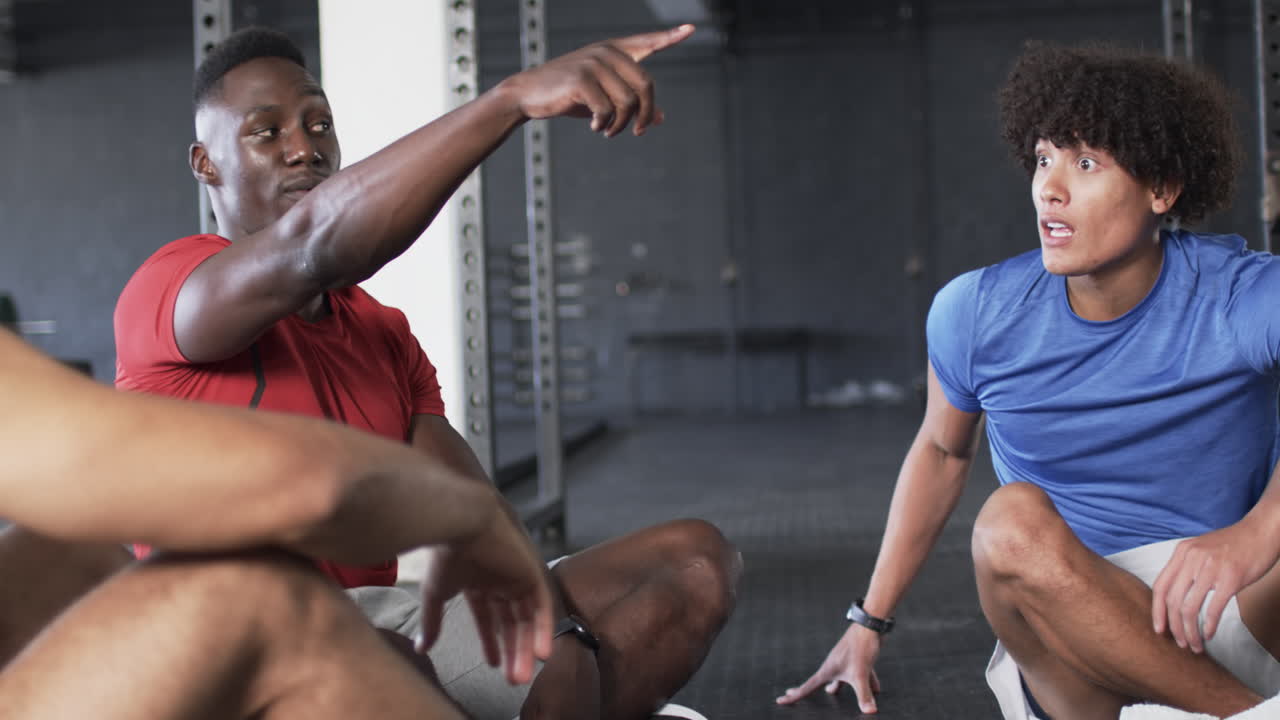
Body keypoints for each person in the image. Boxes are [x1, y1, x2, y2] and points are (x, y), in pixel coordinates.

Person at [113, 25, 740, 720]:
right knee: (393, 661)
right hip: (236, 648)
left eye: (319, 124)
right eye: (267, 132)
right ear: (206, 164)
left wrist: (558, 634)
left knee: (695, 563)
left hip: (384, 620)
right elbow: (313, 244)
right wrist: (509, 100)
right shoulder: (170, 291)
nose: (304, 147)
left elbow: (476, 512)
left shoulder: (379, 331)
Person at [778, 42, 1280, 719]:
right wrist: (867, 623)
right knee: (1008, 522)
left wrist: (1256, 533)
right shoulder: (975, 313)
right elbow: (941, 452)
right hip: (1072, 631)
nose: (1050, 188)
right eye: (1044, 159)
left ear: (1161, 189)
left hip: (1229, 602)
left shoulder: (1238, 295)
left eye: (1086, 163)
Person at [0, 327, 554, 719]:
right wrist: (471, 513)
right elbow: (312, 489)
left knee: (64, 556)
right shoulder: (175, 287)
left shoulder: (379, 326)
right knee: (256, 597)